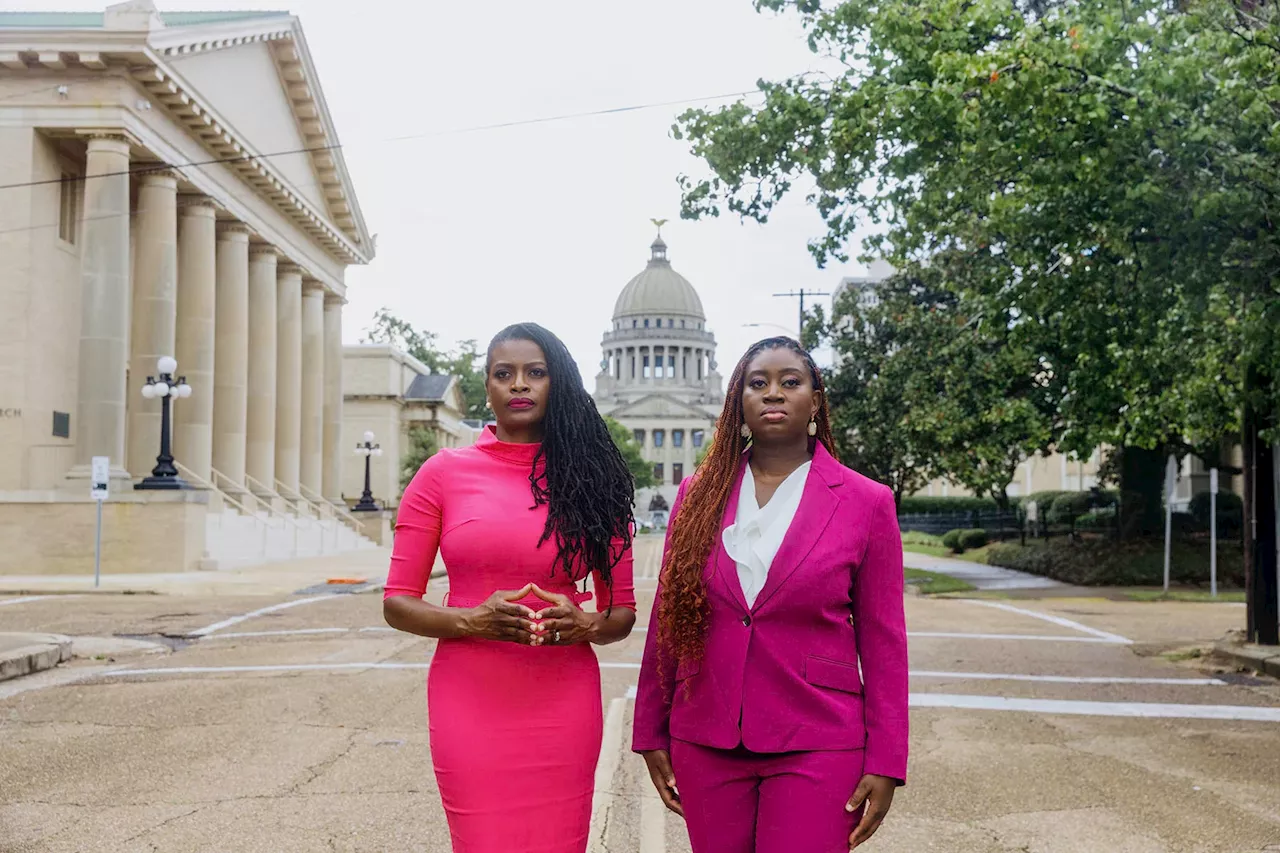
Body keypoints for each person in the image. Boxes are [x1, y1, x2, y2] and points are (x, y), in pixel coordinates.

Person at [632, 336, 909, 852]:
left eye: (790, 381)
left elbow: (885, 643)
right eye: (758, 384)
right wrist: (650, 729)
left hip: (818, 736)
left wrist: (887, 761)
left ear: (816, 399)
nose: (773, 393)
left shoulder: (867, 502)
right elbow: (669, 619)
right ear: (739, 400)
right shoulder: (698, 495)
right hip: (707, 734)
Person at [383, 322, 638, 853]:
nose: (519, 384)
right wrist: (470, 621)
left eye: (535, 373)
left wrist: (584, 623)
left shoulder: (595, 480)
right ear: (488, 387)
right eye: (505, 374)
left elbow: (621, 616)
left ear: (557, 384)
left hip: (562, 698)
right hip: (470, 694)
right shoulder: (442, 474)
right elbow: (397, 602)